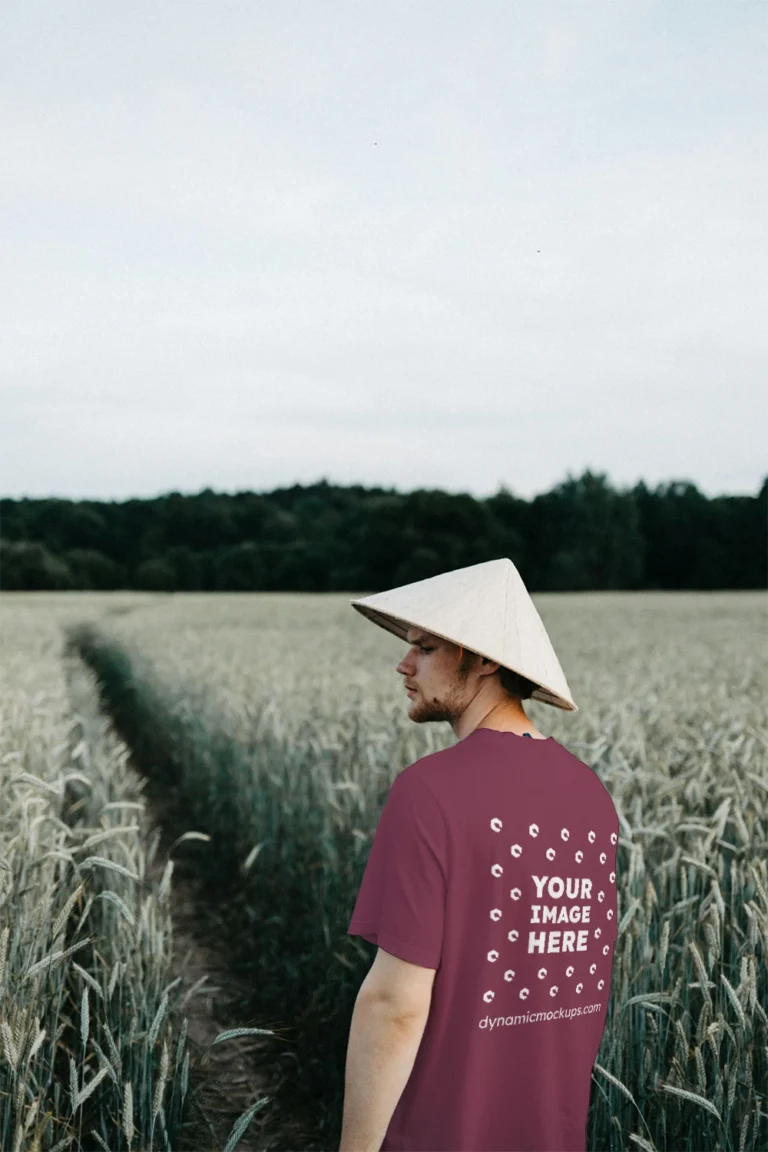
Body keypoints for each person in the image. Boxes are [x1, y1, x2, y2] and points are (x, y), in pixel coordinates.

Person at [340, 558, 619, 1152]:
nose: (403, 663)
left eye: (425, 647)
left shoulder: (430, 791)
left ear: (486, 658)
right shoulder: (592, 797)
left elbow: (395, 1005)